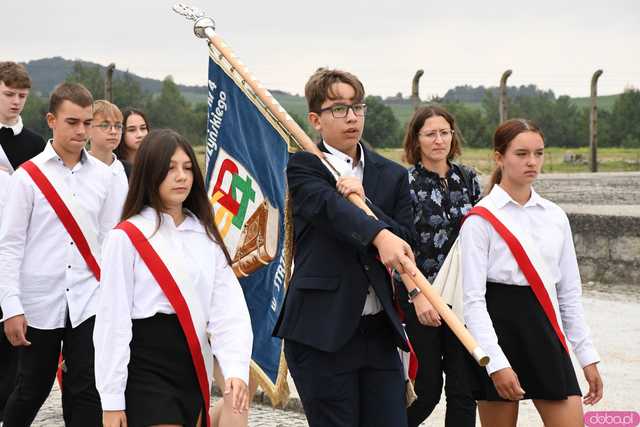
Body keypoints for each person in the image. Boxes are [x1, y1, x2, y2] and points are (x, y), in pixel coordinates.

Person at [273, 68, 419, 427]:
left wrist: (364, 199)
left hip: (378, 333)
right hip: (321, 331)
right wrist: (377, 235)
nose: (351, 117)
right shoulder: (302, 167)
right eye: (339, 109)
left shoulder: (391, 174)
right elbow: (331, 211)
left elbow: (404, 240)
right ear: (315, 120)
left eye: (357, 107)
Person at [94, 129, 253, 427]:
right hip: (145, 363)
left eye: (188, 168)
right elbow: (112, 322)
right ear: (150, 173)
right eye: (170, 168)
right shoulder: (126, 237)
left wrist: (233, 368)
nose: (182, 176)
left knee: (238, 407)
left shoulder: (205, 235)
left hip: (193, 360)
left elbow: (228, 309)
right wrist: (111, 401)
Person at [460, 118, 604, 427]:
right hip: (497, 333)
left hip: (543, 329)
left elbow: (568, 294)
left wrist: (587, 356)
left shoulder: (555, 216)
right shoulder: (479, 221)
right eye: (522, 153)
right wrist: (495, 363)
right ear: (499, 157)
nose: (532, 162)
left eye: (538, 153)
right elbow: (473, 301)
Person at [0, 82, 126, 426]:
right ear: (52, 120)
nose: (82, 130)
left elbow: (113, 242)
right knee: (32, 388)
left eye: (87, 122)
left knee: (85, 388)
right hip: (39, 300)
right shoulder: (27, 178)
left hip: (90, 299)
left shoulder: (107, 178)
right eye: (73, 122)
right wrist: (10, 306)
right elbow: (9, 245)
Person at [399, 105, 481, 427]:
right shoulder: (404, 183)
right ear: (416, 139)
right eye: (430, 134)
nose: (438, 140)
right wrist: (417, 293)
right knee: (428, 389)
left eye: (444, 132)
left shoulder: (468, 179)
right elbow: (397, 248)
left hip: (463, 298)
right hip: (425, 299)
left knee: (464, 391)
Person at [0, 61, 46, 423]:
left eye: (21, 96)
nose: (16, 102)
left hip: (20, 255)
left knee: (14, 358)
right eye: (9, 94)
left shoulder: (35, 145)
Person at [88, 100, 129, 197]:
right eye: (105, 125)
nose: (114, 131)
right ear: (88, 129)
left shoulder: (129, 172)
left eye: (118, 126)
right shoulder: (76, 170)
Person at [113, 108, 149, 176]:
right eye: (132, 130)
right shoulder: (114, 166)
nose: (140, 135)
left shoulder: (156, 163)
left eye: (143, 128)